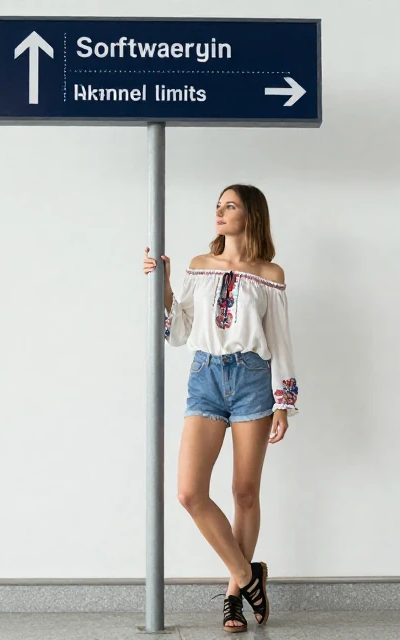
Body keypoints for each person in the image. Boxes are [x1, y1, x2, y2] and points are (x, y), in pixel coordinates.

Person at [142, 184, 298, 633]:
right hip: (205, 377)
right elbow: (180, 330)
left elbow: (281, 339)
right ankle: (250, 577)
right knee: (190, 493)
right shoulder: (199, 265)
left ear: (251, 214)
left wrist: (283, 402)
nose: (219, 211)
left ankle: (233, 597)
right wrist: (166, 286)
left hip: (253, 379)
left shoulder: (270, 272)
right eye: (218, 205)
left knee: (244, 492)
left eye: (229, 205)